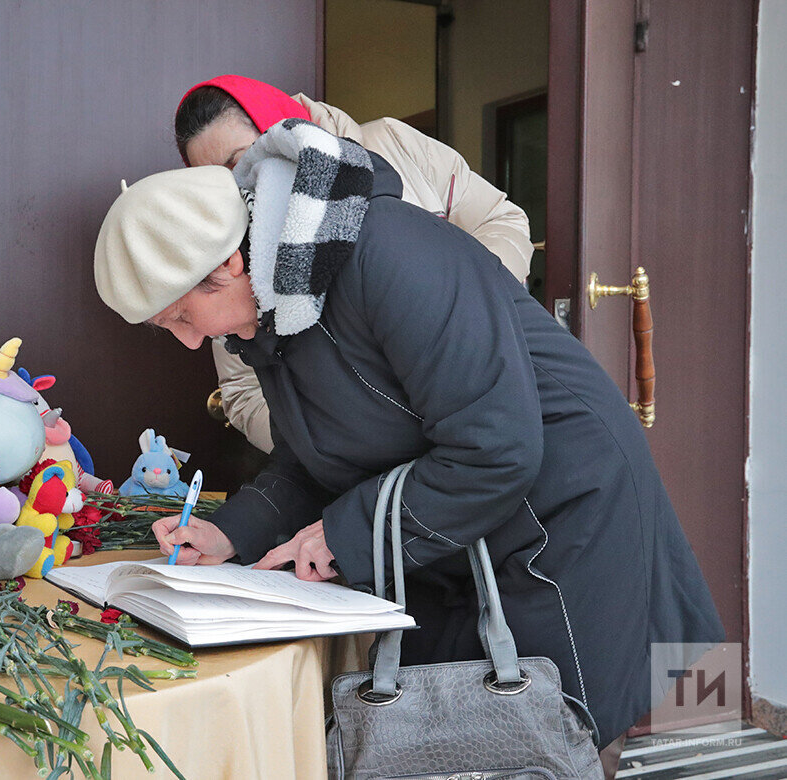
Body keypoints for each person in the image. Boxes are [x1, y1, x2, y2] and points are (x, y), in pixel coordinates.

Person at [94, 120, 724, 778]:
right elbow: (317, 457)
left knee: (542, 737)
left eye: (181, 321)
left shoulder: (389, 254)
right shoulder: (278, 304)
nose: (190, 345)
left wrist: (345, 532)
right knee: (457, 741)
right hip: (459, 527)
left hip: (559, 518)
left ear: (225, 267)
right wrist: (231, 533)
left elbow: (497, 449)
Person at [174, 74, 534, 453]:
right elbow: (244, 391)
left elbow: (500, 219)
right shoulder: (234, 252)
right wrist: (337, 447)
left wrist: (467, 315)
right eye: (220, 181)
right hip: (381, 465)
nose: (242, 185)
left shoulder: (392, 145)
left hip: (486, 391)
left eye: (244, 161)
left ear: (280, 132)